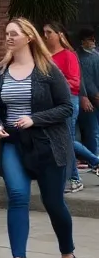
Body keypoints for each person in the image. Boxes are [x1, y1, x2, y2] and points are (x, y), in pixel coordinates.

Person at [0, 18, 76, 258]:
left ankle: (68, 255)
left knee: (53, 203)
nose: (8, 38)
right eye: (6, 34)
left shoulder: (48, 70)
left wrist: (34, 119)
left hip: (48, 144)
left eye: (13, 34)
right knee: (16, 196)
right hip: (14, 143)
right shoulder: (1, 71)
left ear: (28, 37)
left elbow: (66, 107)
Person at [41, 22, 99, 192]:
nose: (45, 36)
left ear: (59, 34)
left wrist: (53, 82)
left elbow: (75, 81)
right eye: (43, 32)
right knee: (61, 139)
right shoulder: (44, 56)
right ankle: (94, 161)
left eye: (49, 32)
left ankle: (74, 178)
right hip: (50, 103)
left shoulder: (69, 55)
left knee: (65, 139)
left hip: (68, 100)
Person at [79, 26, 99, 173]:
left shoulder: (96, 55)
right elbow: (82, 79)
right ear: (82, 41)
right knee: (93, 130)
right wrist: (89, 95)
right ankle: (95, 160)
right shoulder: (78, 57)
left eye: (93, 39)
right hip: (88, 99)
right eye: (89, 39)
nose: (92, 41)